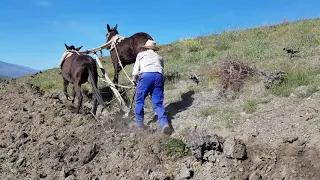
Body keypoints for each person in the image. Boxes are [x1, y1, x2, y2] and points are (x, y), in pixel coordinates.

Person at [131, 40, 171, 134]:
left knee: (139, 100)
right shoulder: (159, 57)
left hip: (146, 76)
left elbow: (135, 71)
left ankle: (139, 124)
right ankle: (164, 123)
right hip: (159, 77)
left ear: (145, 48)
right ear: (154, 49)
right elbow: (161, 70)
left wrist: (134, 80)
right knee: (158, 102)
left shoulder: (141, 55)